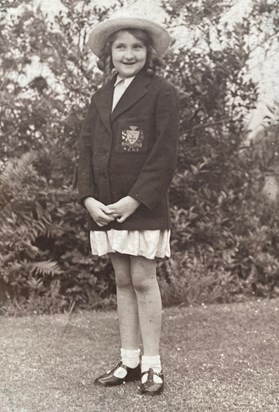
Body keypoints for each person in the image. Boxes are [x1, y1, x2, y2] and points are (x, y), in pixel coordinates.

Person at [77, 13, 180, 396]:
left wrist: (134, 200)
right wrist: (88, 198)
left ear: (148, 52)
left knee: (142, 279)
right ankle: (129, 361)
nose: (129, 53)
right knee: (121, 280)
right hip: (104, 206)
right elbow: (85, 151)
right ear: (110, 53)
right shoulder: (100, 97)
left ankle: (153, 366)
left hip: (143, 205)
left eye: (137, 46)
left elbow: (164, 154)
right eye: (121, 46)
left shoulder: (160, 92)